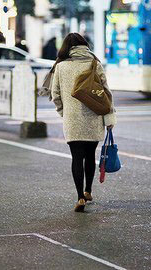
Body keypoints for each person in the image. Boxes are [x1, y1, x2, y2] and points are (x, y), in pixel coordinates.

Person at [51, 33, 116, 212]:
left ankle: (79, 196)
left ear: (67, 48)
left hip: (72, 120)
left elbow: (55, 94)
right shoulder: (95, 64)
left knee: (76, 158)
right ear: (85, 46)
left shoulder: (61, 67)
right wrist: (109, 118)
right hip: (93, 118)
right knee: (90, 156)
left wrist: (64, 112)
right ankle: (88, 190)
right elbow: (106, 94)